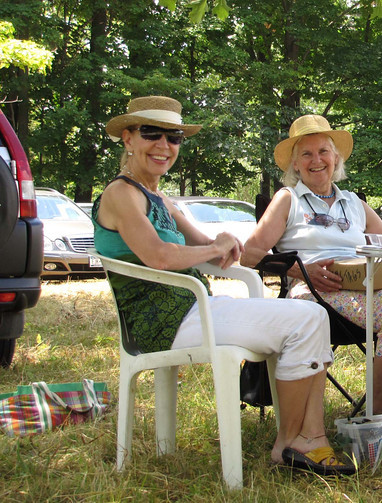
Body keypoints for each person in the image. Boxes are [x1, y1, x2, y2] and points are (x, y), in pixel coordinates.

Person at [93, 96, 354, 475]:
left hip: (193, 308)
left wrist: (226, 244)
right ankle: (292, 444)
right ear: (128, 139)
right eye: (152, 134)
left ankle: (307, 439)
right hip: (160, 322)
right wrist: (213, 249)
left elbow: (206, 248)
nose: (164, 146)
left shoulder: (159, 197)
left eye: (175, 137)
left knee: (312, 316)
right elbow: (159, 257)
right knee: (307, 320)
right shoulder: (121, 193)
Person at [242, 114, 382, 415]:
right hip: (315, 294)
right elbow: (249, 254)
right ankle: (378, 412)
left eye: (323, 151)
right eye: (306, 154)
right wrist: (300, 270)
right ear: (294, 164)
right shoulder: (288, 199)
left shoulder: (353, 203)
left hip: (366, 285)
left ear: (336, 158)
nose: (316, 160)